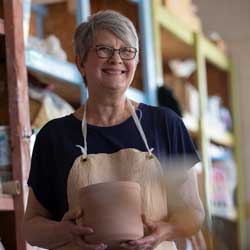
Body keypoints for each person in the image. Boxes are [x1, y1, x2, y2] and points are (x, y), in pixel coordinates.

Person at [23, 10, 205, 250]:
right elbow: (32, 226)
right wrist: (62, 231)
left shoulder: (165, 125)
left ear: (136, 61)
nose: (116, 59)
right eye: (104, 50)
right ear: (81, 63)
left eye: (127, 51)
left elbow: (193, 212)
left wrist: (166, 230)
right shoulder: (54, 136)